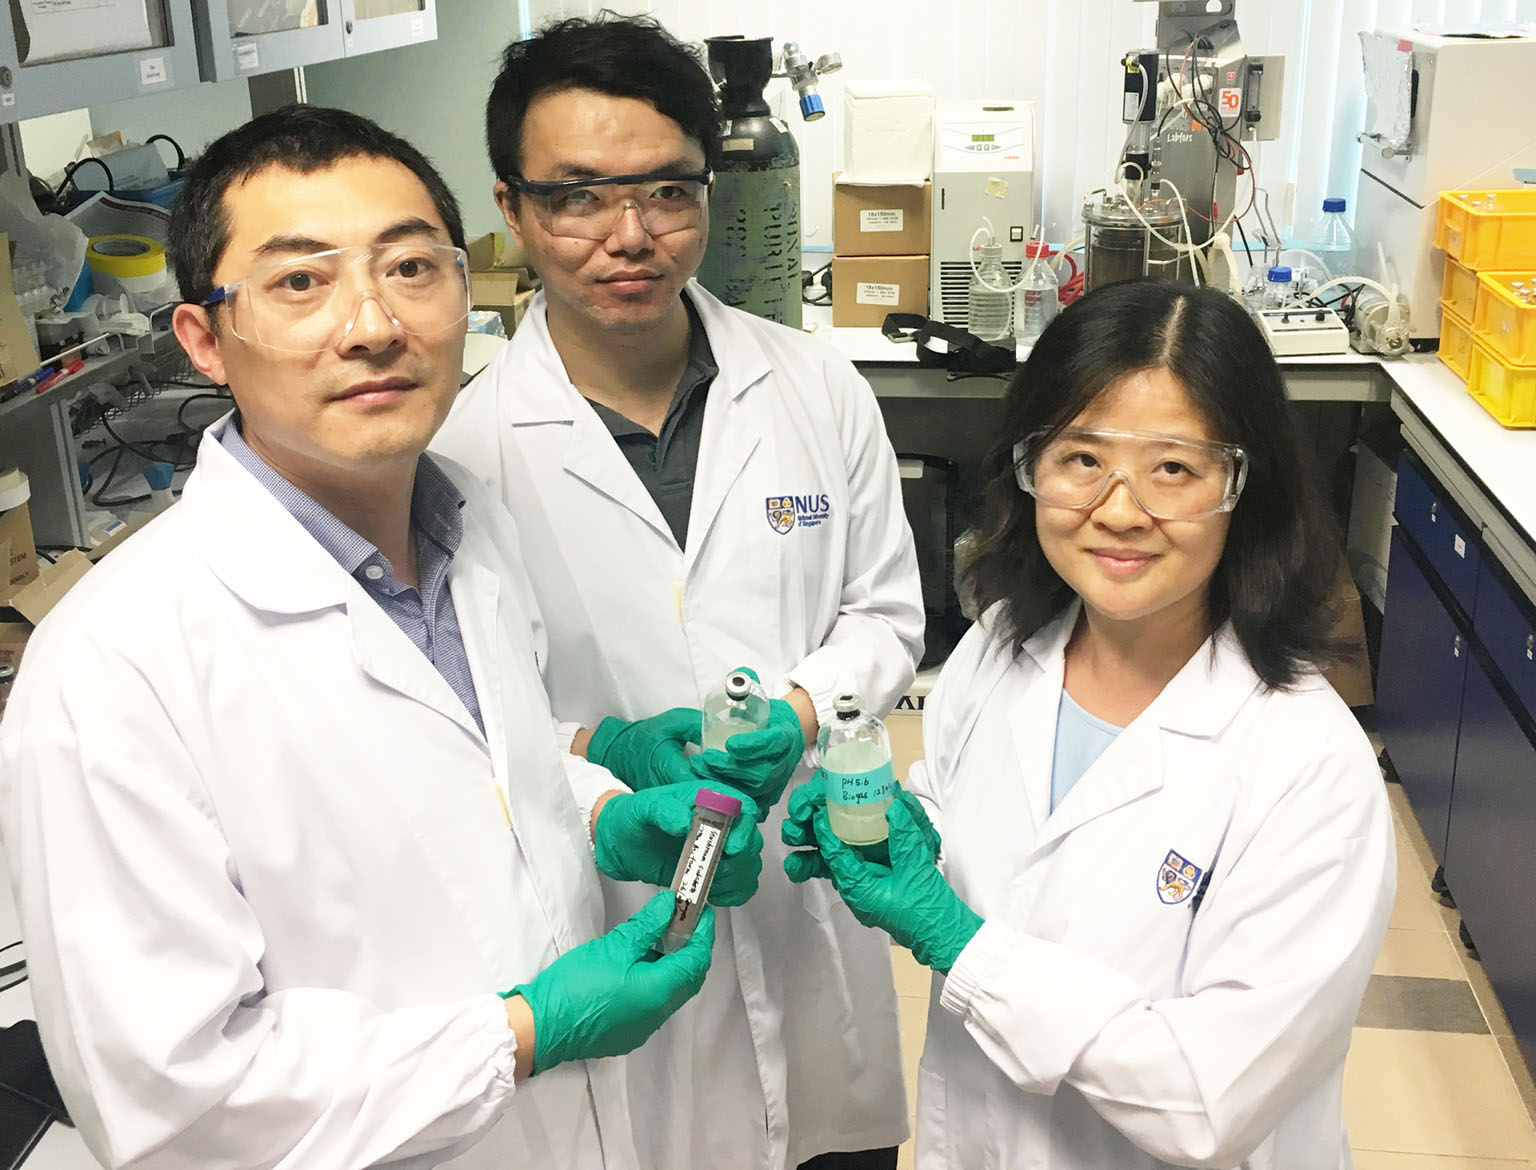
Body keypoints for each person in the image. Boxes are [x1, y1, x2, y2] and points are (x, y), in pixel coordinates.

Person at [0, 105, 766, 1169]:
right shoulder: (111, 670)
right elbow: (171, 1098)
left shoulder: (470, 533)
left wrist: (598, 813)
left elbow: (475, 771)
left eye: (411, 267)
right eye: (300, 283)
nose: (371, 323)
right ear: (203, 339)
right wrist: (519, 1035)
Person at [430, 15, 924, 1170]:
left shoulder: (814, 386)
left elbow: (889, 616)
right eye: (578, 197)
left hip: (811, 903)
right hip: (622, 923)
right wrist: (609, 749)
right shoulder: (461, 455)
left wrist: (803, 709)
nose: (629, 235)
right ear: (512, 210)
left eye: (666, 190)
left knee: (834, 1145)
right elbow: (470, 727)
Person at [784, 281, 1397, 1168]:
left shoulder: (1306, 762)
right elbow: (982, 831)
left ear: (1244, 487)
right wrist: (908, 839)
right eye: (1081, 459)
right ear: (1029, 466)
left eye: (1173, 469)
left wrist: (961, 945)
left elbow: (1205, 1103)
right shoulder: (999, 649)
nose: (1118, 510)